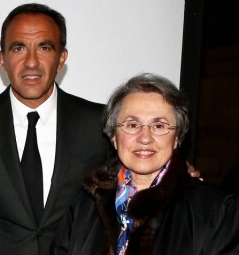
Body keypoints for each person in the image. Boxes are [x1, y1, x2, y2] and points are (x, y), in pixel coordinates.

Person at [0, 3, 114, 254]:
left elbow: (132, 193)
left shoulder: (99, 122)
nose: (31, 62)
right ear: (3, 59)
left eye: (44, 47)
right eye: (19, 48)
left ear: (61, 58)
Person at [52, 73, 239, 255]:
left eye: (159, 126)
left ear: (177, 138)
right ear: (113, 137)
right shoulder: (85, 205)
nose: (145, 138)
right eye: (132, 125)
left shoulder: (218, 212)